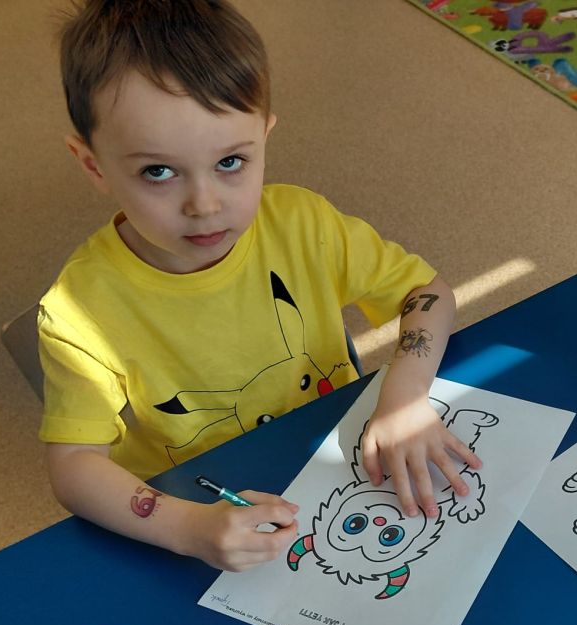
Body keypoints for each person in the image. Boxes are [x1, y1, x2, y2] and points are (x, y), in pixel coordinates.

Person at [39, 0, 479, 572]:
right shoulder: (79, 312)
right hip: (199, 505)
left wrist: (406, 396)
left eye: (230, 162)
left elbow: (425, 292)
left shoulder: (304, 225)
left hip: (331, 457)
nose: (205, 205)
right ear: (93, 164)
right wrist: (187, 529)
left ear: (264, 136)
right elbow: (74, 466)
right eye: (158, 171)